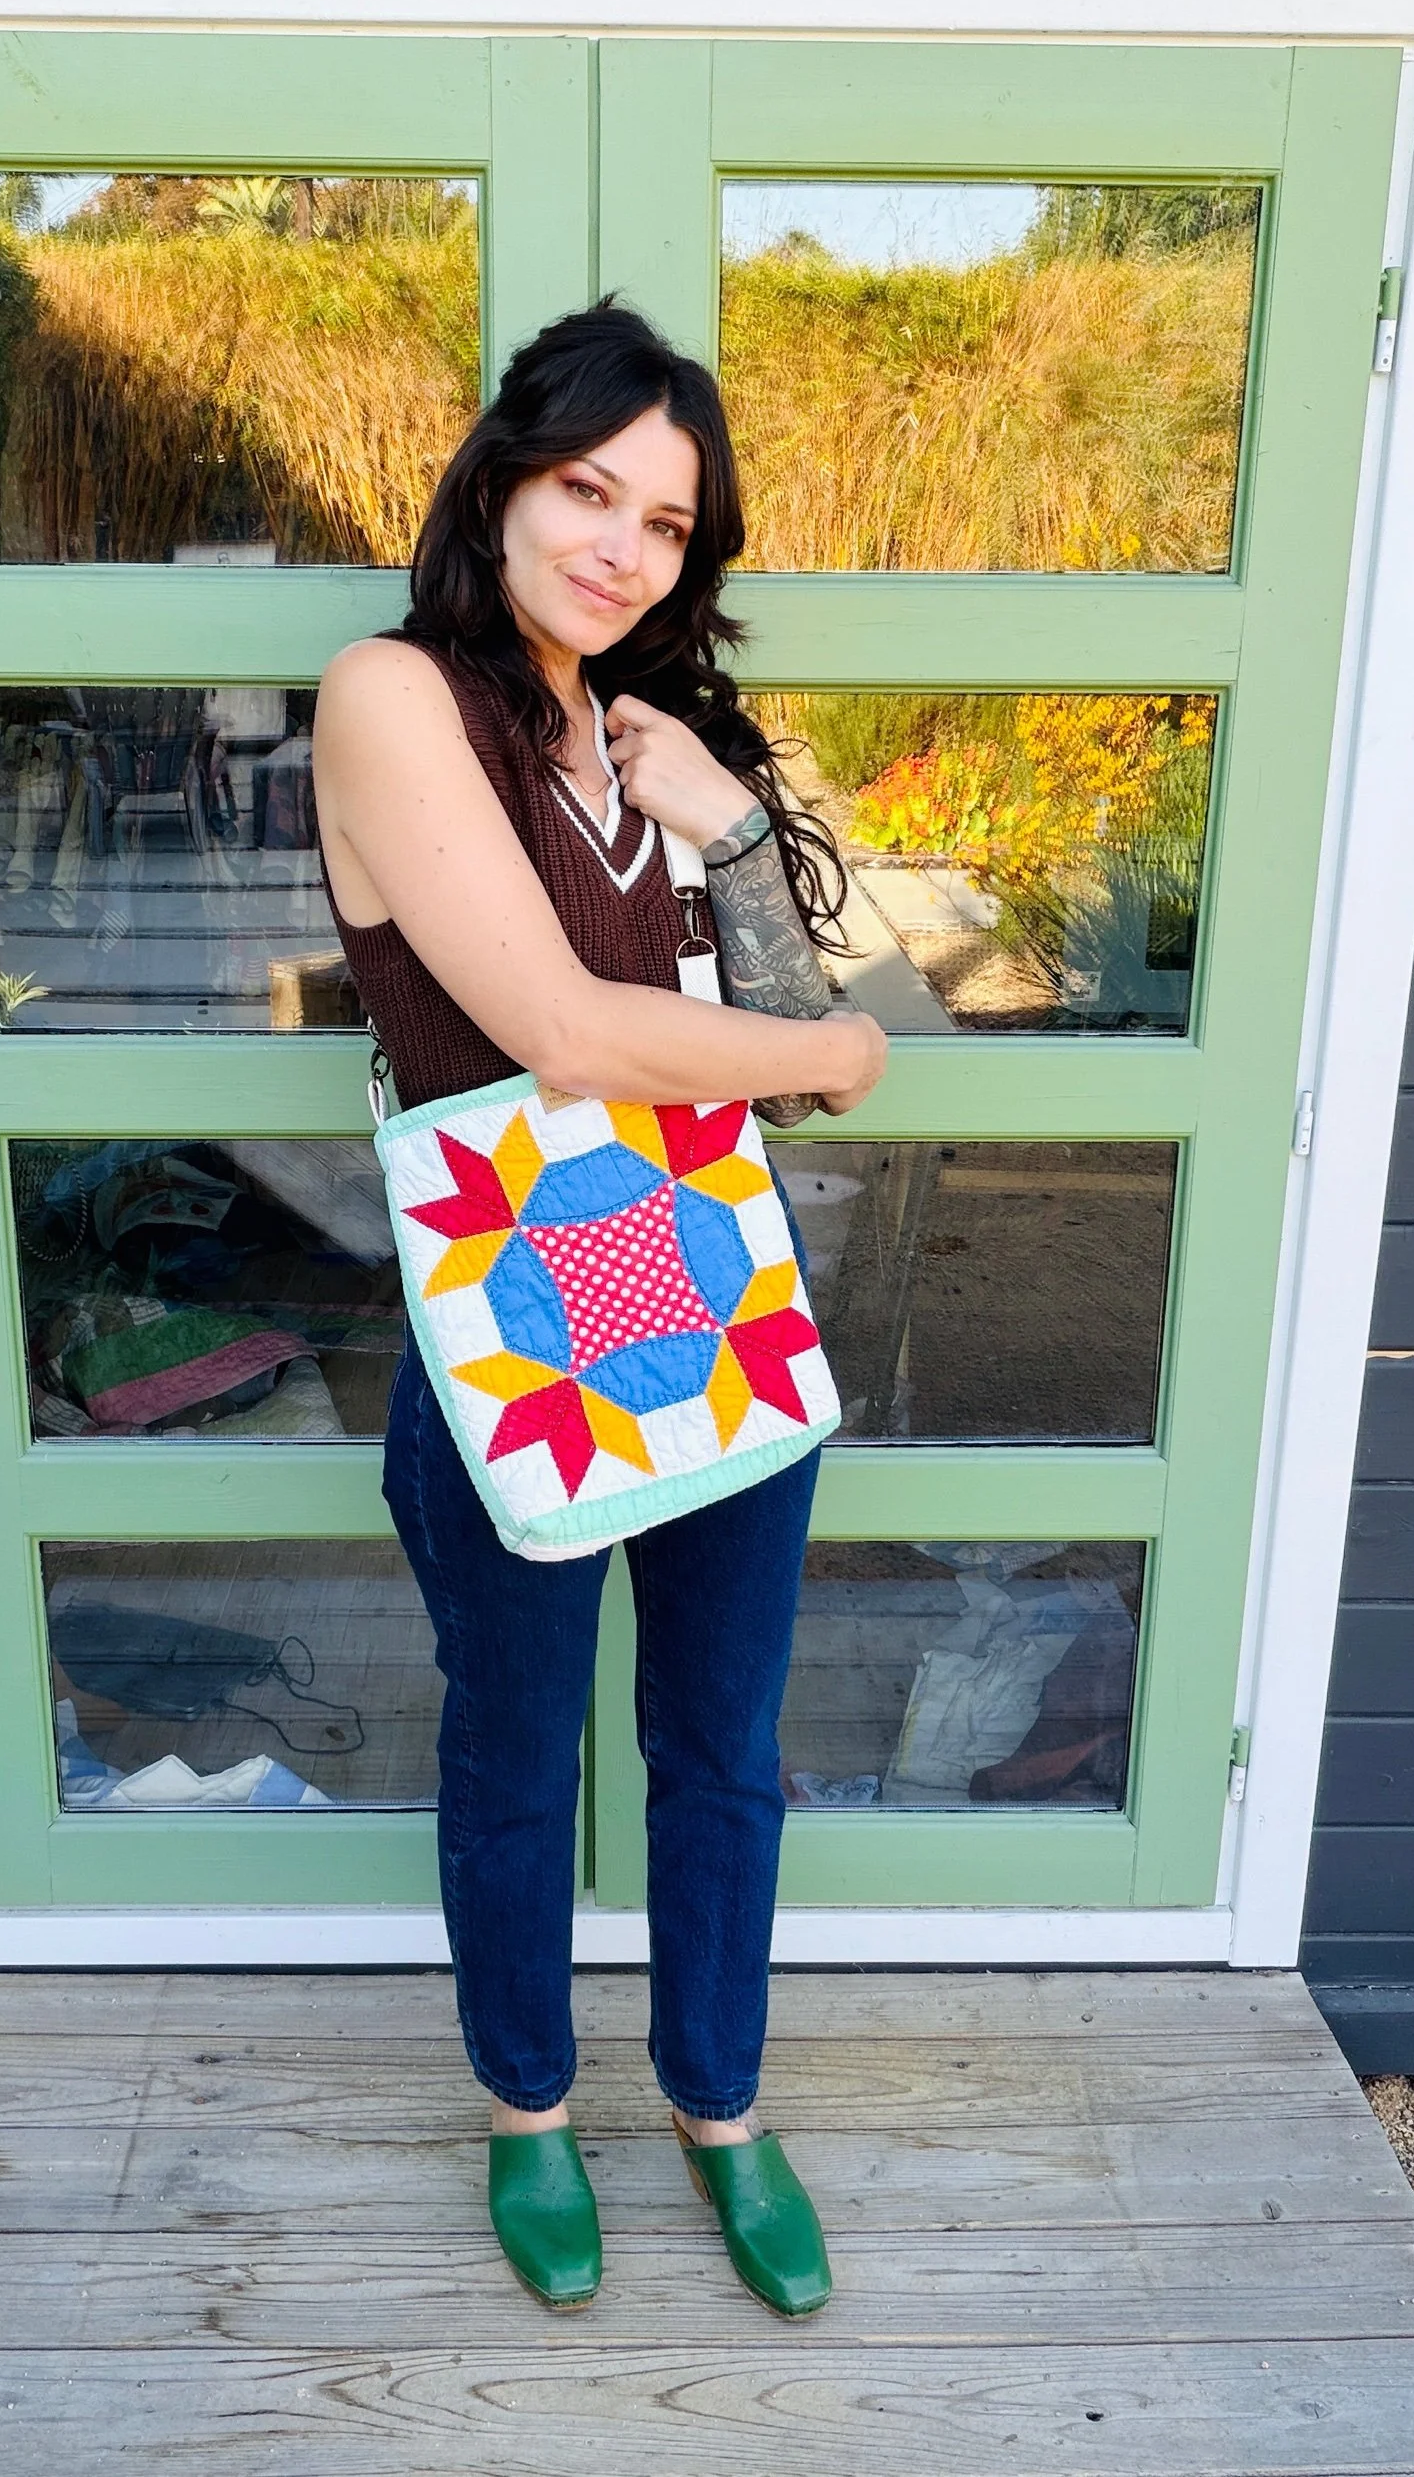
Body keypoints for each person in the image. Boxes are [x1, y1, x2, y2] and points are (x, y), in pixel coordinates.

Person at [313, 300, 886, 2318]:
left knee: (724, 1743)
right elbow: (564, 1030)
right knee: (518, 1743)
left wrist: (728, 824)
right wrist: (834, 1061)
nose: (622, 545)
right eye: (589, 488)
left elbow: (770, 1036)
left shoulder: (634, 731)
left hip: (708, 1293)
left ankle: (720, 2106)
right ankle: (529, 2107)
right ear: (501, 477)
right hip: (512, 1327)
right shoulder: (393, 696)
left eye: (665, 521)